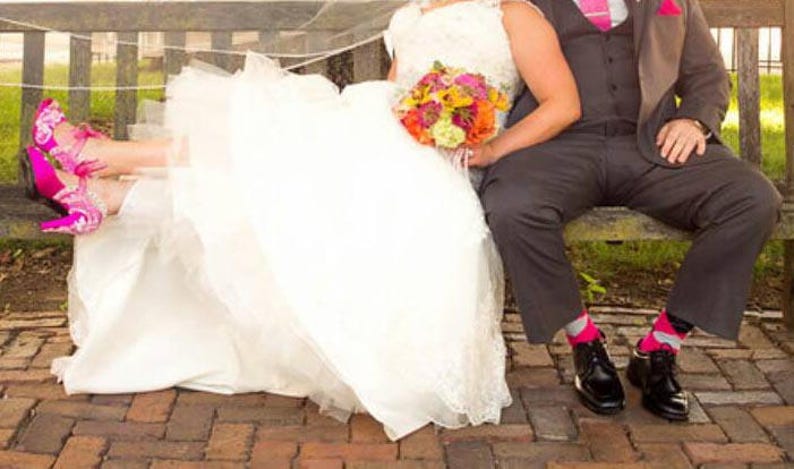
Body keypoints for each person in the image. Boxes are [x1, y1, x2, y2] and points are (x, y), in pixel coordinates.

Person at [22, 0, 580, 439]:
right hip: (382, 139)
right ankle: (105, 187)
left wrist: (491, 149)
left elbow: (563, 104)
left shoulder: (511, 14)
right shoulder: (411, 13)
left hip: (442, 161)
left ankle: (105, 174)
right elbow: (395, 92)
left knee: (274, 147)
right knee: (273, 153)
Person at [477, 0, 782, 420]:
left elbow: (708, 76)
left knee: (752, 200)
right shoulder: (522, 3)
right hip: (555, 147)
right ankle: (585, 343)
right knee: (512, 206)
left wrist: (693, 121)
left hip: (650, 145)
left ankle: (660, 347)